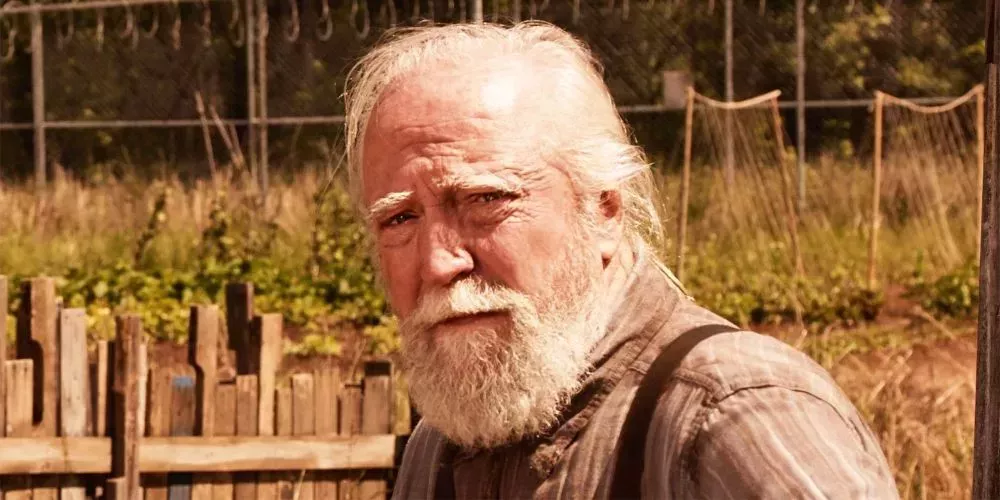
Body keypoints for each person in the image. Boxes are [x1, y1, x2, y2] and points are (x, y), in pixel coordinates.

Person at [342, 21, 899, 499]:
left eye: (486, 199)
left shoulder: (733, 418)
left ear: (604, 210)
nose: (439, 262)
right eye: (400, 219)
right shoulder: (440, 446)